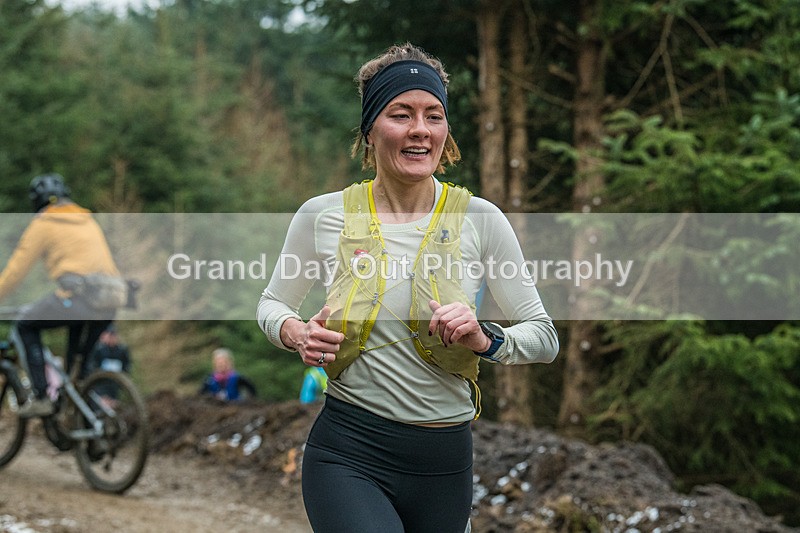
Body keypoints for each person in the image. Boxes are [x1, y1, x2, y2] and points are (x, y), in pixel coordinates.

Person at [257, 43, 559, 533]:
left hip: (445, 464)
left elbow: (544, 338)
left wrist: (486, 339)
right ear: (371, 129)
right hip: (348, 450)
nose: (420, 129)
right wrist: (295, 332)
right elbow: (272, 305)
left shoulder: (482, 221)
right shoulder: (322, 216)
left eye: (433, 115)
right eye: (402, 114)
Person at [0, 173, 125, 418]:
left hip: (78, 298)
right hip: (110, 298)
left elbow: (16, 271)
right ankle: (89, 426)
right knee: (78, 370)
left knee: (26, 326)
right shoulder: (87, 220)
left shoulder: (44, 223)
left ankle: (42, 396)